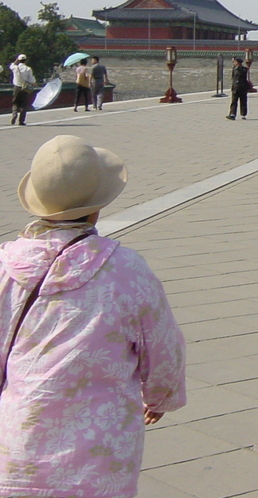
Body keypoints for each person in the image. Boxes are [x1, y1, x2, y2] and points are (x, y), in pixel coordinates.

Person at [0, 136, 186, 496]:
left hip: (18, 447)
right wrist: (161, 396)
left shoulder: (6, 267)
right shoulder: (126, 269)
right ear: (96, 207)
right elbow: (163, 345)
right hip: (101, 457)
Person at [8, 55, 36, 126]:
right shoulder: (28, 69)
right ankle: (21, 121)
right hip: (25, 88)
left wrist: (16, 60)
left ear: (18, 60)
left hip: (17, 87)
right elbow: (31, 80)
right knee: (24, 104)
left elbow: (11, 65)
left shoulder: (15, 67)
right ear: (26, 60)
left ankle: (14, 113)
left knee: (15, 102)